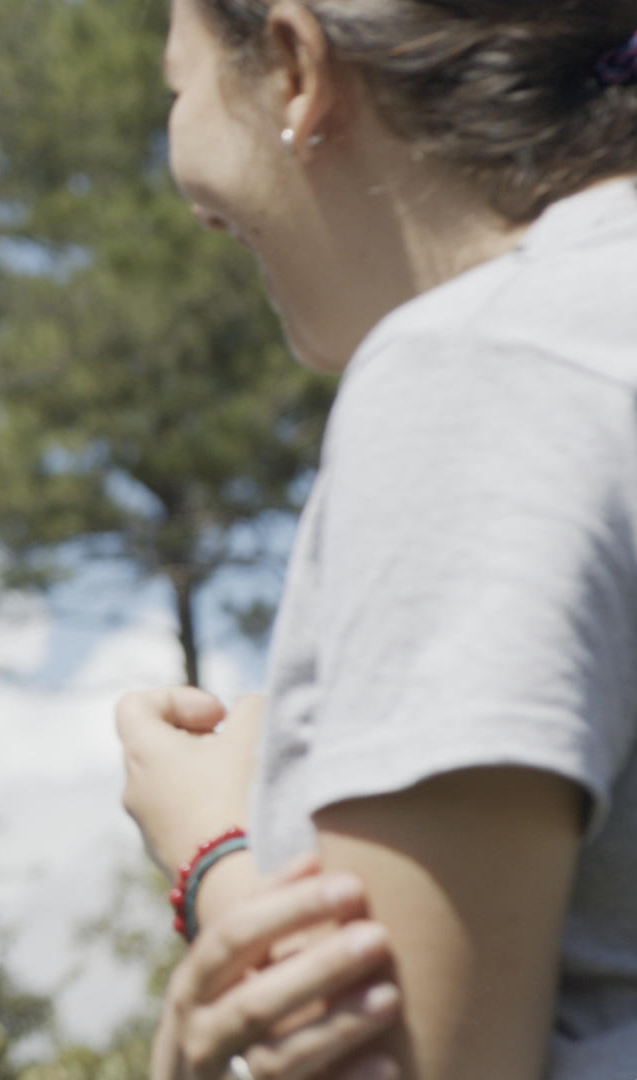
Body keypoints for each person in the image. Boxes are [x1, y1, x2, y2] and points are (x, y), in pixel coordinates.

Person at [117, 0, 637, 1077]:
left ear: (297, 67)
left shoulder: (484, 373)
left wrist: (221, 857)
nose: (190, 192)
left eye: (180, 86)